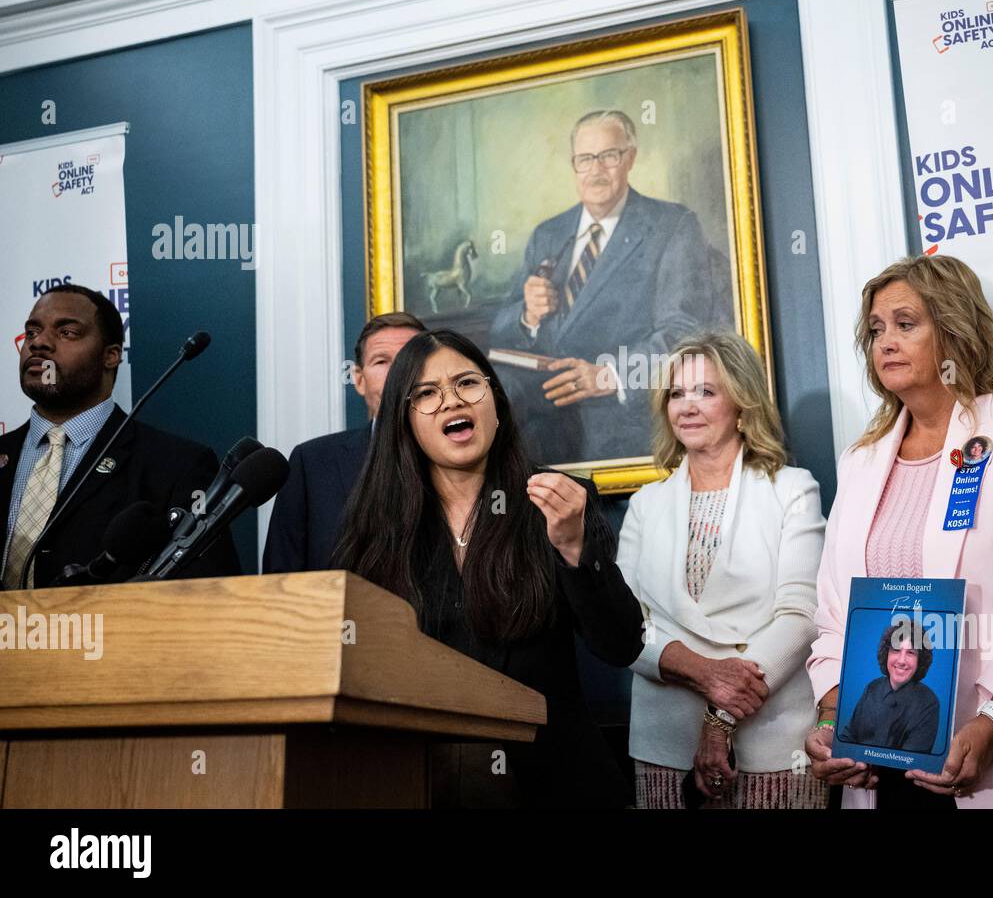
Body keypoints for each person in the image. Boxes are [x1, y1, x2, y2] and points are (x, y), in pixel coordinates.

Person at [805, 253, 993, 809]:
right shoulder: (860, 460)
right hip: (879, 766)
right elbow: (832, 616)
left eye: (905, 324)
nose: (885, 342)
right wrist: (832, 714)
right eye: (875, 330)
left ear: (954, 329)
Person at [331, 328, 643, 808]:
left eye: (467, 385)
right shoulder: (376, 526)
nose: (452, 402)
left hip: (553, 787)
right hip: (420, 784)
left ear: (494, 402)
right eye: (428, 394)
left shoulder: (561, 500)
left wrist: (574, 547)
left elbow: (621, 643)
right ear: (404, 421)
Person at [616, 331, 826, 809]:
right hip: (664, 743)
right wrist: (703, 672)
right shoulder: (645, 505)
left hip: (774, 739)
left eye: (706, 392)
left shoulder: (792, 489)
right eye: (676, 393)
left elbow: (801, 614)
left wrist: (721, 716)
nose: (687, 406)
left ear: (743, 403)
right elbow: (622, 627)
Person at [488, 109, 728, 465]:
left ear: (630, 159)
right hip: (542, 437)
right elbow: (500, 332)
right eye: (585, 159)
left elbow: (685, 334)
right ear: (574, 165)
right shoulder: (548, 233)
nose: (595, 170)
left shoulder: (673, 226)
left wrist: (610, 375)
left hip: (623, 433)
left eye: (608, 156)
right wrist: (528, 315)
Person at [1, 285, 239, 589]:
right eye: (32, 332)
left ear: (111, 356)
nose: (40, 344)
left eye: (67, 333)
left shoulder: (177, 466)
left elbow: (206, 593)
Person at [263, 311, 424, 573]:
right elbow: (279, 580)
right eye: (382, 361)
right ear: (359, 380)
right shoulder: (312, 464)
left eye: (410, 360)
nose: (397, 373)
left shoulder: (463, 459)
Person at [842, 616, 940, 753]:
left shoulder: (928, 703)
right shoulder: (872, 688)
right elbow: (848, 736)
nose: (901, 660)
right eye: (896, 650)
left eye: (910, 653)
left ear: (920, 660)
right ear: (886, 654)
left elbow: (912, 758)